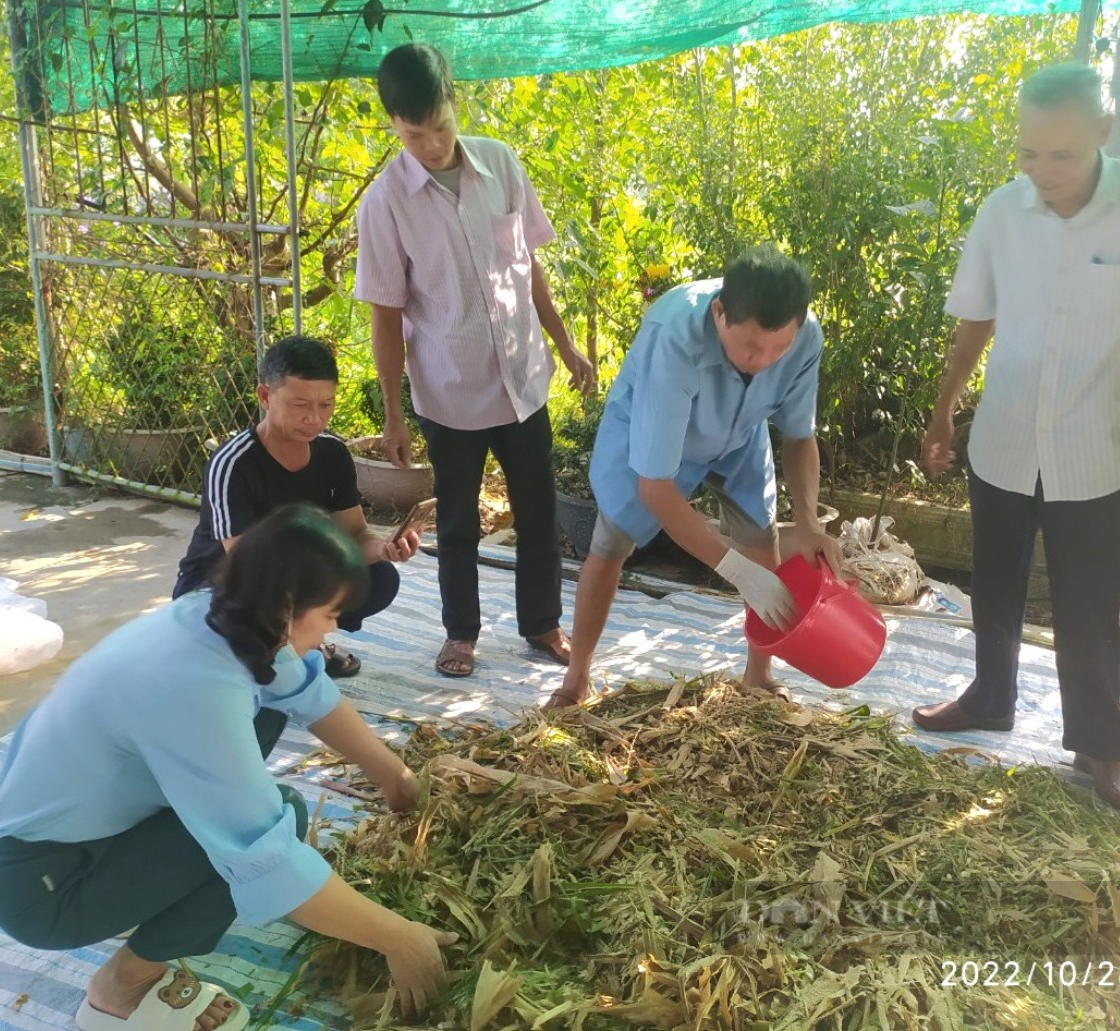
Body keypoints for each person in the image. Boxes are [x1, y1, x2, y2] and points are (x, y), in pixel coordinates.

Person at [0, 504, 456, 1030]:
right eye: (330, 616)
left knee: (273, 770)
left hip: (74, 835)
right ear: (289, 605)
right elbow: (262, 859)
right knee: (270, 827)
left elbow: (303, 688)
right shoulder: (196, 688)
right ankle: (121, 986)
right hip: (44, 888)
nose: (330, 634)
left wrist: (395, 776)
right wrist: (399, 937)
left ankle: (139, 890)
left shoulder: (224, 611)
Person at [913, 63, 1120, 813]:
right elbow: (975, 318)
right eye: (1027, 154)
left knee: (1090, 599)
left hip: (1096, 446)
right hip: (1005, 435)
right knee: (995, 581)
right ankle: (989, 695)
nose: (1043, 172)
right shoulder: (1002, 213)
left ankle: (1101, 747)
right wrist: (945, 409)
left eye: (1061, 155)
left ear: (1102, 135)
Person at [354, 42, 596, 679]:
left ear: (454, 106)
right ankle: (461, 634)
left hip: (522, 381)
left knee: (539, 513)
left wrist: (564, 342)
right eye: (413, 134)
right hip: (449, 390)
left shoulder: (500, 163)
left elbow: (528, 264)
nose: (431, 144)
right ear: (392, 125)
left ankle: (542, 624)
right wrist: (393, 415)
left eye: (439, 126)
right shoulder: (385, 202)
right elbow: (385, 311)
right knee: (458, 521)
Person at [551, 243, 842, 709]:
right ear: (720, 312)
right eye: (750, 346)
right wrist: (735, 571)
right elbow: (656, 488)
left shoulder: (806, 336)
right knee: (608, 548)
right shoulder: (674, 338)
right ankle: (575, 681)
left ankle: (759, 678)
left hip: (740, 434)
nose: (764, 359)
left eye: (778, 348)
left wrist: (807, 522)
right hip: (652, 438)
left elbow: (798, 434)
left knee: (761, 539)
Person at [175, 335, 419, 678]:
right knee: (242, 657)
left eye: (325, 405)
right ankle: (282, 652)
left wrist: (384, 548)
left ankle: (301, 647)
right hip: (220, 584)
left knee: (378, 578)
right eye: (300, 405)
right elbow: (246, 563)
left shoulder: (332, 453)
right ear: (265, 396)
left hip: (291, 581)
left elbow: (354, 534)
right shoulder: (232, 463)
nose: (314, 419)